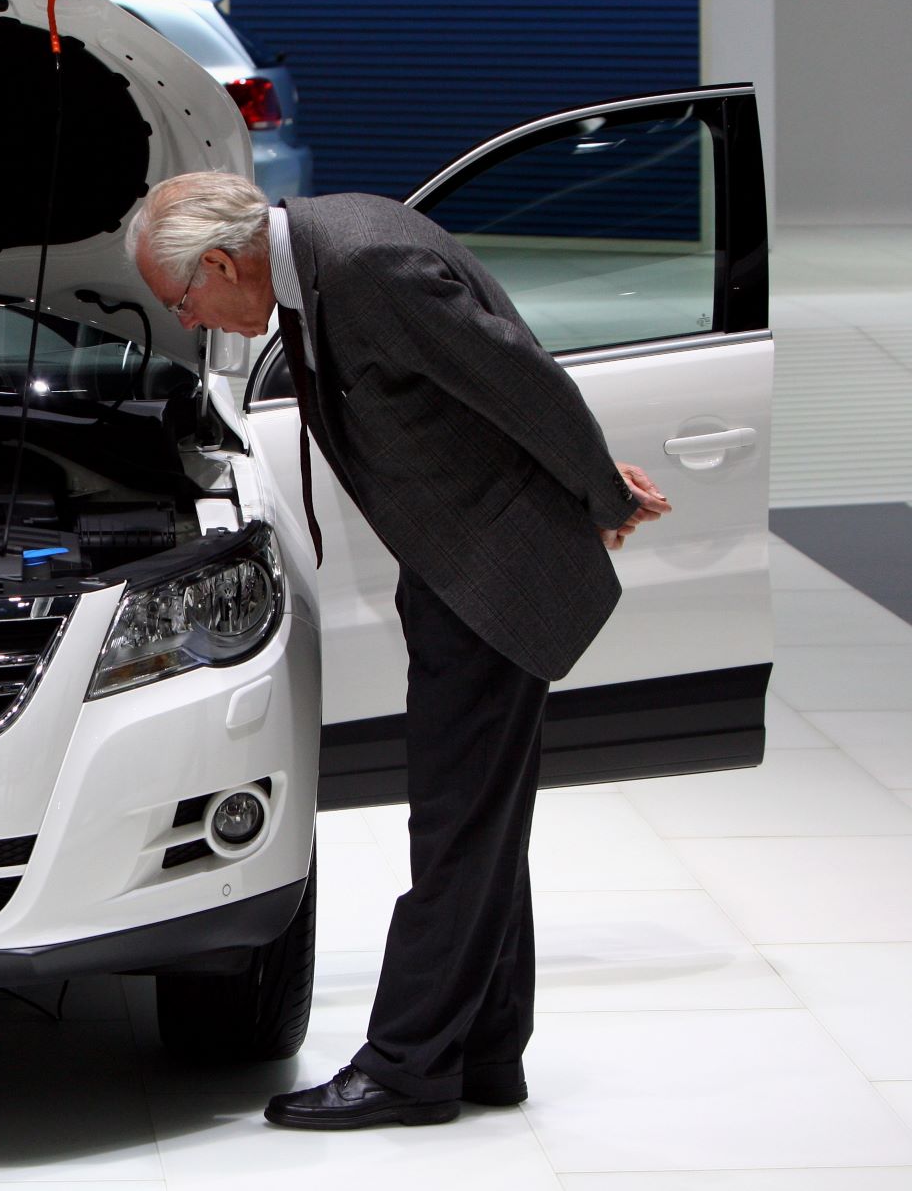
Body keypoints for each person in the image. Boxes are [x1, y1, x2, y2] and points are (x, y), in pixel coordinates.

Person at [126, 173, 670, 1129]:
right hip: (462, 562)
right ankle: (486, 1050)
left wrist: (600, 493)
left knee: (455, 824)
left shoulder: (368, 266)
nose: (190, 317)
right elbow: (485, 381)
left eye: (183, 301)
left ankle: (410, 1066)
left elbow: (518, 377)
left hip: (492, 574)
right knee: (484, 818)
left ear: (220, 261)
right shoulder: (316, 259)